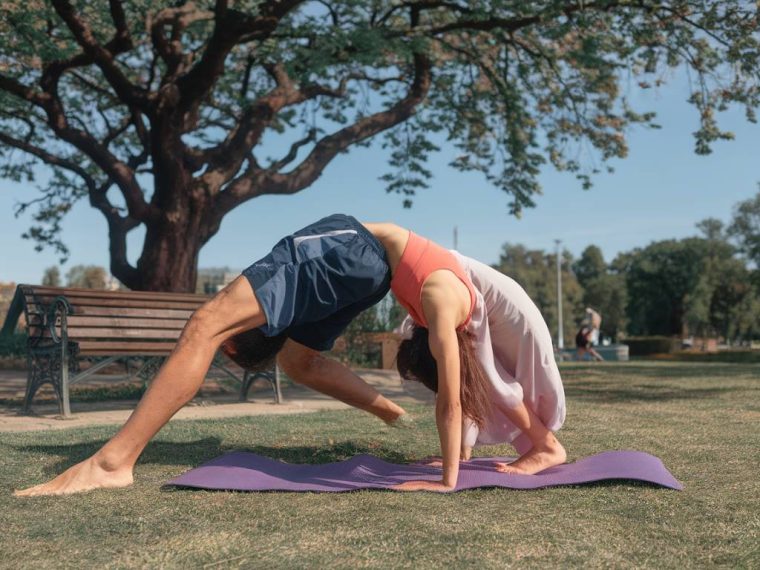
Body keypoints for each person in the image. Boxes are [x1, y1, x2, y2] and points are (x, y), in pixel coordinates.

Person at [395, 251, 567, 488]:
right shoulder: (428, 305)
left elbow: (468, 389)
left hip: (514, 324)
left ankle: (548, 447)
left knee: (488, 382)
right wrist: (458, 455)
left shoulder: (440, 302)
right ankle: (465, 452)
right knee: (470, 377)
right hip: (497, 314)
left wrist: (448, 478)